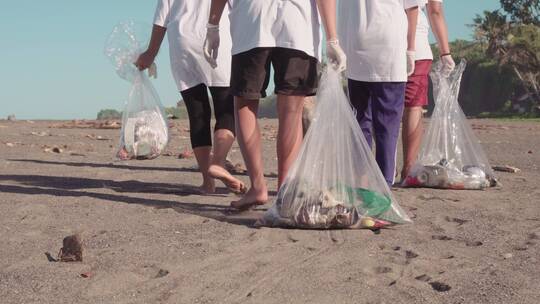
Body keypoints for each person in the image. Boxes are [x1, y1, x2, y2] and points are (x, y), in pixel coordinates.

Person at [205, 0, 346, 209]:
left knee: (244, 104)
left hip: (251, 21)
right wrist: (332, 38)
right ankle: (284, 191)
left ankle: (258, 187)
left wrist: (212, 26)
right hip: (298, 25)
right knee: (292, 110)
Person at [135, 0, 245, 194]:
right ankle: (218, 162)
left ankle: (207, 183)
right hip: (218, 39)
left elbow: (161, 19)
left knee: (197, 114)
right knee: (226, 110)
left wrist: (150, 53)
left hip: (181, 42)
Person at [339, 0, 419, 186]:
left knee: (360, 123)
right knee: (386, 125)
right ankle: (384, 184)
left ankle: (362, 182)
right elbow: (413, 7)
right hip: (388, 48)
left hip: (355, 47)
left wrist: (336, 41)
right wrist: (411, 47)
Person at [400, 0, 455, 181]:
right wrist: (445, 52)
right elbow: (435, 11)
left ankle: (382, 165)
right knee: (413, 106)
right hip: (417, 47)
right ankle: (408, 168)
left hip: (378, 42)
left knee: (381, 105)